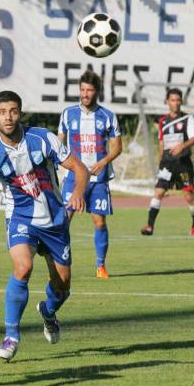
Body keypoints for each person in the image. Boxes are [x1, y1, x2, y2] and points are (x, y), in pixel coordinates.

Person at [0, 90, 89, 362]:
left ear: (20, 113)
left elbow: (80, 168)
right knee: (23, 267)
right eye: (2, 112)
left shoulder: (43, 139)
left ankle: (48, 312)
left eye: (13, 111)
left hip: (54, 221)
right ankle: (11, 335)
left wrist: (79, 192)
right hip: (21, 219)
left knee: (62, 287)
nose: (8, 117)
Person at [57, 71, 122, 279]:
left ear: (97, 92)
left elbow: (117, 147)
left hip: (98, 180)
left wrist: (103, 162)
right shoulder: (68, 114)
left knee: (100, 222)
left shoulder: (108, 116)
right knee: (63, 220)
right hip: (74, 178)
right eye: (82, 89)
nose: (85, 94)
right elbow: (59, 143)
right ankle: (58, 264)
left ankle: (100, 266)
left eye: (90, 90)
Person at [140, 88, 194, 236]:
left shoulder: (188, 119)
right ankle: (149, 226)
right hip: (167, 164)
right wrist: (161, 161)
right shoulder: (163, 121)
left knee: (188, 196)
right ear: (167, 102)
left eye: (178, 100)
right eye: (173, 100)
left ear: (182, 102)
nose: (176, 103)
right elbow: (162, 143)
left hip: (183, 164)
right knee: (158, 193)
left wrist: (182, 146)